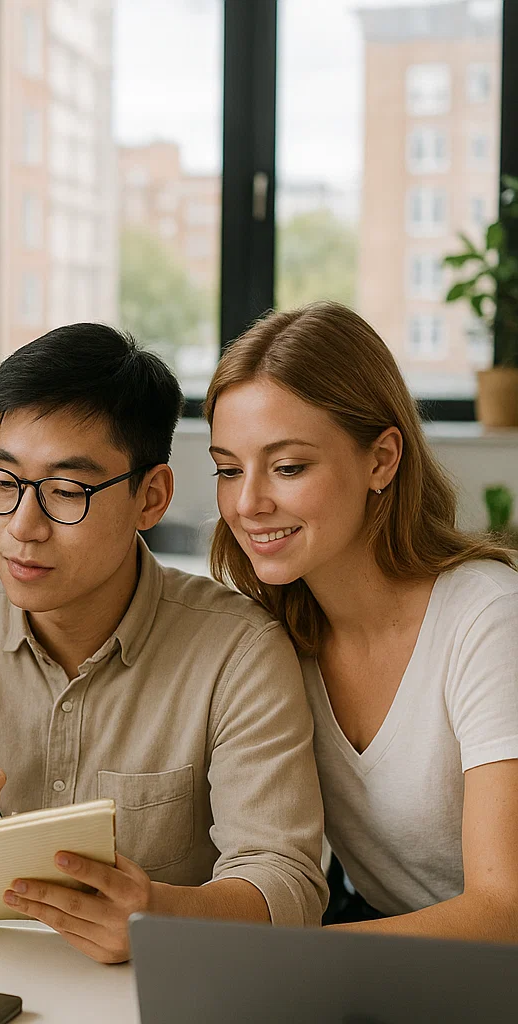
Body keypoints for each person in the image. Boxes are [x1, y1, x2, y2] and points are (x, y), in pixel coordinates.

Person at [0, 324, 329, 964]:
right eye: (3, 481)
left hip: (148, 991)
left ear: (150, 497)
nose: (22, 527)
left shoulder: (237, 651)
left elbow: (288, 886)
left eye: (67, 491)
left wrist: (156, 916)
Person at [206, 301, 518, 941]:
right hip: (405, 969)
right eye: (228, 468)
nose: (248, 503)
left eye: (288, 467)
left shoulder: (486, 616)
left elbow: (504, 911)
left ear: (381, 459)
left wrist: (282, 962)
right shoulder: (270, 636)